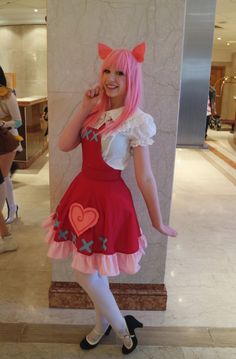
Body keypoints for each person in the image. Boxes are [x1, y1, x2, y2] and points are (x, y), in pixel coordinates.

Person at [43, 42, 177, 354]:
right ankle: (106, 325)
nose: (111, 78)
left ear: (133, 78)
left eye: (120, 73)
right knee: (93, 271)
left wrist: (158, 220)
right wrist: (83, 105)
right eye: (107, 70)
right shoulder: (94, 111)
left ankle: (118, 328)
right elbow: (64, 145)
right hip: (81, 195)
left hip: (110, 201)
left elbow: (144, 176)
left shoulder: (137, 121)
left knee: (86, 272)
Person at [0, 66, 22, 223]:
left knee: (4, 176)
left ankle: (11, 208)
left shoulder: (7, 96)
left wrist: (2, 123)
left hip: (8, 140)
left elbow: (18, 122)